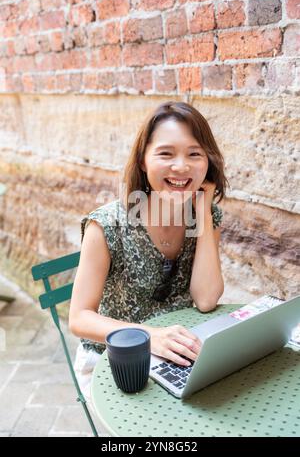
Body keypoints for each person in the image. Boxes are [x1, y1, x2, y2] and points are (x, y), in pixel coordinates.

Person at [69, 101, 229, 408]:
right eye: (166, 153)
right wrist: (150, 336)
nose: (181, 166)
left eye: (194, 154)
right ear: (143, 160)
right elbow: (78, 319)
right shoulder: (107, 225)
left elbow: (206, 299)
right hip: (112, 361)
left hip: (176, 354)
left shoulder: (205, 217)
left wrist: (203, 210)